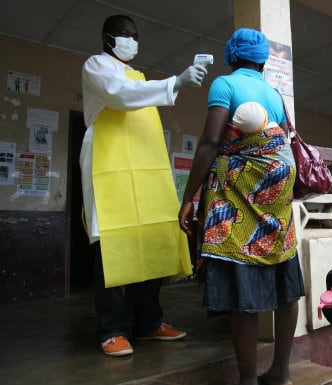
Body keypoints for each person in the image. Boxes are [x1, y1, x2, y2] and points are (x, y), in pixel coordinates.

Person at [177, 28, 304, 385]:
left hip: (243, 189)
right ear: (263, 60)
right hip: (278, 189)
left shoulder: (225, 84)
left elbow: (211, 142)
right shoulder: (274, 94)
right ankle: (281, 371)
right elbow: (276, 140)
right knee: (284, 281)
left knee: (241, 280)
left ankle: (248, 380)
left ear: (231, 56)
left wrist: (189, 198)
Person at [80, 14, 207, 357]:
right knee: (113, 248)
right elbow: (119, 94)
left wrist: (169, 86)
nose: (131, 40)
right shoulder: (97, 66)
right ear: (107, 37)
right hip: (111, 173)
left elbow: (135, 92)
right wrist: (174, 83)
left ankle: (149, 323)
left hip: (145, 174)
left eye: (135, 35)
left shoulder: (139, 77)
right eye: (124, 34)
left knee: (150, 243)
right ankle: (112, 330)